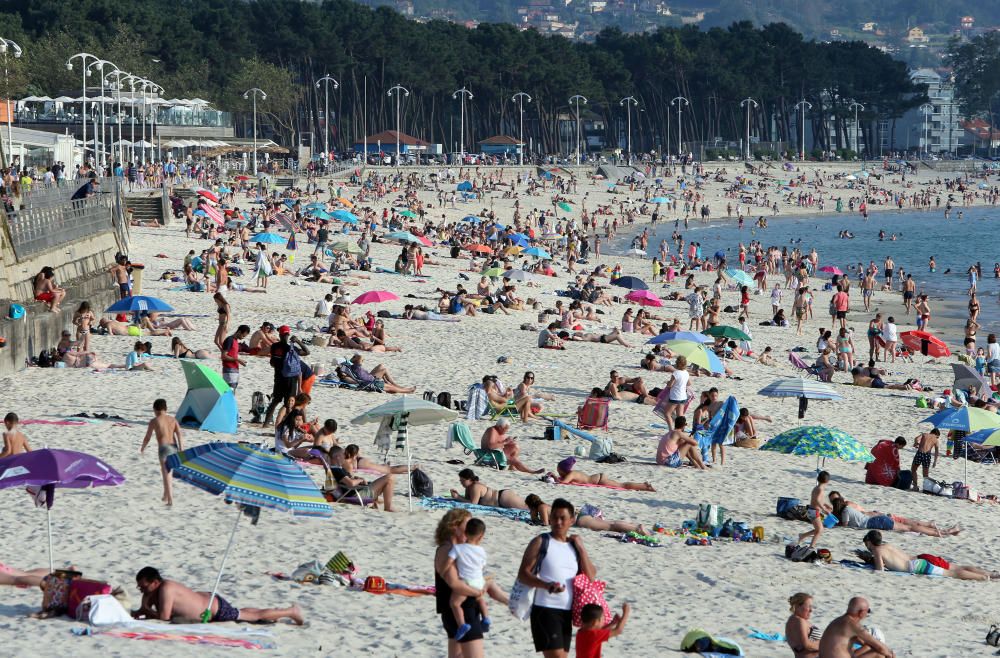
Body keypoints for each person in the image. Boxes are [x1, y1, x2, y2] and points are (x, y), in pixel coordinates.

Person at [517, 498, 597, 658]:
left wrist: (582, 549)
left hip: (566, 612)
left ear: (572, 520)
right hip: (544, 609)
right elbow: (523, 574)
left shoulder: (574, 546)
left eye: (563, 518)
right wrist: (546, 585)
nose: (558, 522)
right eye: (554, 517)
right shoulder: (541, 542)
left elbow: (590, 577)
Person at [134, 567, 303, 624]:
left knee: (252, 616)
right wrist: (140, 611)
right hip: (207, 600)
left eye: (143, 585)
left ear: (155, 582)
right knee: (243, 612)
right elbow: (144, 612)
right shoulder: (151, 592)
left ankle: (290, 611)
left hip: (214, 609)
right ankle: (274, 612)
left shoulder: (166, 588)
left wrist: (147, 611)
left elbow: (163, 618)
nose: (140, 588)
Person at [435, 510, 487, 657]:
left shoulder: (454, 550)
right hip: (463, 612)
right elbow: (454, 583)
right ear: (454, 526)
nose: (470, 528)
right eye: (467, 524)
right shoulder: (449, 550)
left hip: (454, 612)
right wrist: (478, 591)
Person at [862, 530, 997, 580]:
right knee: (957, 568)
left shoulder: (877, 551)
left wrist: (869, 562)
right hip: (921, 558)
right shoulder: (887, 545)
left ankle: (983, 577)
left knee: (954, 574)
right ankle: (992, 573)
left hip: (917, 566)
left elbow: (879, 570)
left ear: (869, 542)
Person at [828, 491, 958, 537]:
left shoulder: (845, 510)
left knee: (910, 527)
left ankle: (938, 532)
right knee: (910, 526)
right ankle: (942, 530)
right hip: (877, 518)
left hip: (876, 521)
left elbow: (844, 525)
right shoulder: (848, 507)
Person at [449, 518, 491, 641]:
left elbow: (450, 561)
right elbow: (482, 565)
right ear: (481, 536)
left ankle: (462, 624)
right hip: (479, 581)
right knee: (480, 599)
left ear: (465, 533)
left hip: (466, 582)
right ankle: (486, 617)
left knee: (455, 603)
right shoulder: (482, 551)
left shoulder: (459, 548)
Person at [526, 494, 648, 535]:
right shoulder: (545, 505)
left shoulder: (542, 507)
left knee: (610, 526)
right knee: (609, 523)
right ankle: (634, 526)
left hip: (580, 518)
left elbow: (545, 523)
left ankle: (636, 528)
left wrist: (533, 516)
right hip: (581, 513)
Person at [817, 596, 894, 658]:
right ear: (861, 612)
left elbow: (866, 643)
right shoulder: (854, 625)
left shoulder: (837, 621)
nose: (867, 614)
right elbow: (880, 648)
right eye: (868, 611)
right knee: (879, 655)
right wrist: (891, 654)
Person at [140, 399, 184, 507]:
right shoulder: (173, 420)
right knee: (168, 472)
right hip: (174, 447)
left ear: (155, 410)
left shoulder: (154, 421)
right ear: (166, 409)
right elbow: (179, 434)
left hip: (164, 448)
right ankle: (165, 495)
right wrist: (181, 448)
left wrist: (143, 447)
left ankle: (170, 500)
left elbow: (147, 437)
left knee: (166, 474)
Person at [326, 446, 397, 510]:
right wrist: (360, 480)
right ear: (337, 457)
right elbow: (351, 483)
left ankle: (381, 504)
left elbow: (347, 480)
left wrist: (356, 478)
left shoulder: (338, 469)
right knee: (390, 477)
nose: (345, 457)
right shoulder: (336, 470)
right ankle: (388, 507)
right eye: (343, 455)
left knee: (387, 481)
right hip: (356, 494)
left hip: (357, 491)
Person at [555, 457, 654, 491]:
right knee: (622, 484)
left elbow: (563, 482)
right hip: (598, 477)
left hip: (600, 480)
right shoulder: (573, 472)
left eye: (559, 471)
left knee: (622, 485)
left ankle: (644, 486)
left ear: (563, 470)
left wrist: (553, 477)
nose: (558, 473)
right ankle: (643, 485)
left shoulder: (571, 475)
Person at [451, 468, 528, 509]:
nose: (461, 483)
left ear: (470, 479)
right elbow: (467, 500)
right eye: (460, 481)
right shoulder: (468, 487)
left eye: (463, 481)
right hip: (501, 498)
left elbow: (473, 504)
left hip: (503, 498)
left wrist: (458, 497)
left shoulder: (475, 487)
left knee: (529, 507)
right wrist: (458, 496)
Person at [343, 353, 416, 393]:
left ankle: (389, 382)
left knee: (381, 366)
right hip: (371, 381)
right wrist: (351, 359)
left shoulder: (352, 368)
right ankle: (406, 390)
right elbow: (361, 357)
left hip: (369, 378)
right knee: (385, 372)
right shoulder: (355, 367)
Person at [798, 471, 832, 549]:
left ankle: (802, 535)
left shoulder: (818, 488)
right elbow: (816, 500)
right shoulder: (819, 489)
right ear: (827, 481)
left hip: (813, 511)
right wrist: (824, 509)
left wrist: (826, 505)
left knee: (818, 529)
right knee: (820, 530)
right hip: (814, 511)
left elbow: (819, 500)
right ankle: (811, 546)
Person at [784, 592, 820, 658]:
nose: (811, 610)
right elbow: (806, 645)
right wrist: (824, 645)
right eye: (808, 606)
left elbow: (798, 647)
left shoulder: (791, 621)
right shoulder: (800, 621)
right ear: (797, 606)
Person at [221, 325, 251, 390]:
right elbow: (224, 356)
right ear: (239, 332)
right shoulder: (229, 340)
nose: (243, 338)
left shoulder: (235, 341)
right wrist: (238, 359)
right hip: (229, 369)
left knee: (233, 390)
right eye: (243, 335)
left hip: (234, 369)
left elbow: (232, 354)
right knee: (229, 391)